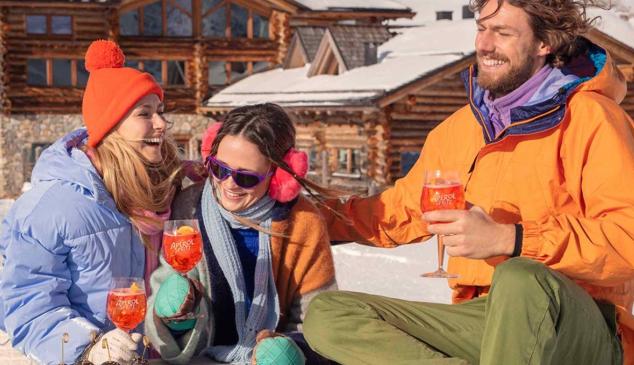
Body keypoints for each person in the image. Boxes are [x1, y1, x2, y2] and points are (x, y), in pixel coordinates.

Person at [302, 1, 634, 364]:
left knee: (520, 278)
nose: (485, 44)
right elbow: (399, 212)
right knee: (329, 315)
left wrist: (511, 239)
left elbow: (627, 240)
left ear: (545, 43)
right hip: (485, 318)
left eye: (503, 33)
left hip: (579, 327)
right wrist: (305, 213)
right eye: (482, 28)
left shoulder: (593, 120)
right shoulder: (459, 130)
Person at [0, 40, 183, 364]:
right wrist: (89, 348)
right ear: (111, 126)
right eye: (145, 114)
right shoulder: (50, 208)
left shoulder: (165, 189)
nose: (161, 124)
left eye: (160, 112)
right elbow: (27, 307)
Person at [145, 103, 338, 365]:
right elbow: (169, 313)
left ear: (279, 176)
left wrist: (293, 350)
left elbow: (320, 317)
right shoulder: (189, 207)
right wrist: (174, 316)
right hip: (199, 358)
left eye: (246, 178)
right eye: (219, 169)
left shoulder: (304, 223)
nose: (229, 184)